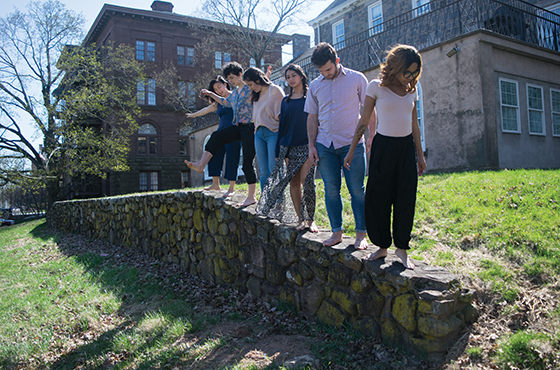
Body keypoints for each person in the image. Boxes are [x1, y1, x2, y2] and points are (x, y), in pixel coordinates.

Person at [343, 44, 427, 270]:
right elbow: (364, 120)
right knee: (379, 197)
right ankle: (381, 246)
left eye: (414, 73)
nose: (410, 77)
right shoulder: (375, 87)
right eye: (406, 72)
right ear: (395, 67)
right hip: (383, 146)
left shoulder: (412, 90)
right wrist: (352, 149)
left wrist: (420, 155)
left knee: (405, 197)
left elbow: (414, 125)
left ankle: (402, 247)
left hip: (405, 148)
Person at [305, 42, 375, 249]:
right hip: (324, 144)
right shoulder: (315, 86)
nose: (325, 73)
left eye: (328, 69)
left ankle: (361, 234)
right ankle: (337, 232)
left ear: (337, 61)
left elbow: (370, 109)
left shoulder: (357, 79)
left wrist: (373, 135)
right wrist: (311, 145)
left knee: (357, 190)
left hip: (352, 143)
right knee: (331, 190)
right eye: (320, 71)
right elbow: (311, 117)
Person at [185, 62, 257, 207]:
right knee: (216, 137)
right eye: (228, 79)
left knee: (247, 163)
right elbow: (224, 102)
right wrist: (210, 94)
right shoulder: (236, 93)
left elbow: (264, 90)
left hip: (250, 127)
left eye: (232, 78)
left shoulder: (250, 88)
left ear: (240, 74)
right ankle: (201, 165)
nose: (231, 81)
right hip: (238, 127)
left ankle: (251, 196)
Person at [257, 64, 318, 232]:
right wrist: (278, 149)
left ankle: (311, 220)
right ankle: (300, 219)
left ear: (301, 76)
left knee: (308, 181)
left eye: (293, 75)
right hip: (288, 145)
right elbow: (282, 126)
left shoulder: (311, 96)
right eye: (288, 77)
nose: (291, 79)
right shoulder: (286, 101)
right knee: (294, 182)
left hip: (307, 144)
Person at [185, 76, 241, 197]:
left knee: (232, 157)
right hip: (220, 132)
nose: (219, 90)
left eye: (219, 87)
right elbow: (206, 109)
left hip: (233, 132)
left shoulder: (235, 96)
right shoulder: (218, 102)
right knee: (214, 154)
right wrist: (192, 115)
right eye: (216, 89)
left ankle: (231, 188)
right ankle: (215, 184)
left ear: (225, 84)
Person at [242, 67, 285, 191]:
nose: (250, 88)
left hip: (273, 133)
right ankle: (265, 204)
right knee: (263, 171)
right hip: (258, 134)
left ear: (257, 79)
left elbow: (283, 116)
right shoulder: (255, 95)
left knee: (274, 168)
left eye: (250, 84)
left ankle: (278, 203)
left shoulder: (275, 90)